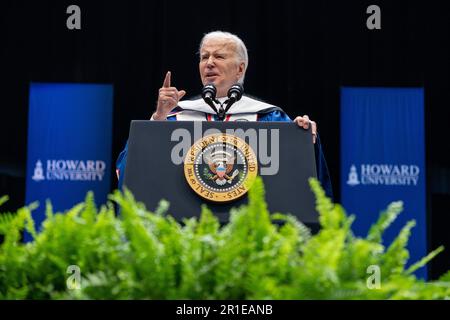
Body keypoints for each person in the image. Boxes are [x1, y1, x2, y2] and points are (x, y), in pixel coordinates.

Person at [116, 31, 333, 198]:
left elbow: (303, 177)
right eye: (204, 57)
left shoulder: (268, 118)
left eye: (219, 56)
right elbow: (130, 170)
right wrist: (158, 119)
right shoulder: (174, 117)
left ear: (240, 69)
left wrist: (301, 135)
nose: (209, 62)